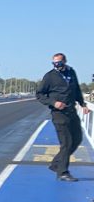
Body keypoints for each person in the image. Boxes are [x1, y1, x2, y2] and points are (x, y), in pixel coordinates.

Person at [36, 53, 90, 181]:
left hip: (72, 111)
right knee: (66, 142)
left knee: (77, 139)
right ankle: (63, 172)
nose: (57, 65)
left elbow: (76, 90)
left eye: (59, 63)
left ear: (64, 61)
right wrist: (54, 103)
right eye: (54, 63)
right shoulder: (49, 76)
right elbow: (39, 94)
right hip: (59, 114)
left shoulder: (71, 72)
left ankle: (56, 164)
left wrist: (82, 104)